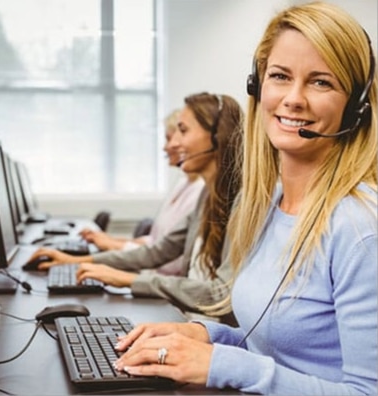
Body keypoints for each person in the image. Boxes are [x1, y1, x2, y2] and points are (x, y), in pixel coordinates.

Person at [107, 2, 377, 395]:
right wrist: (202, 336)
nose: (294, 99)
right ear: (257, 85)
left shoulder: (359, 228)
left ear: (356, 106)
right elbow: (271, 350)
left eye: (321, 82)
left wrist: (222, 363)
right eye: (280, 76)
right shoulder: (270, 204)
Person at [28, 92, 244, 321]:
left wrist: (129, 280)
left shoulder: (243, 203)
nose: (174, 143)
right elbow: (158, 252)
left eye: (183, 130)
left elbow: (220, 295)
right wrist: (78, 261)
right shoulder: (207, 196)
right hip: (191, 319)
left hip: (216, 332)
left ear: (216, 136)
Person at [80, 109, 205, 275]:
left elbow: (172, 261)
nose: (167, 147)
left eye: (169, 139)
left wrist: (115, 246)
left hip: (161, 284)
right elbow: (158, 242)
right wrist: (113, 240)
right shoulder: (183, 183)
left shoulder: (201, 191)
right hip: (153, 277)